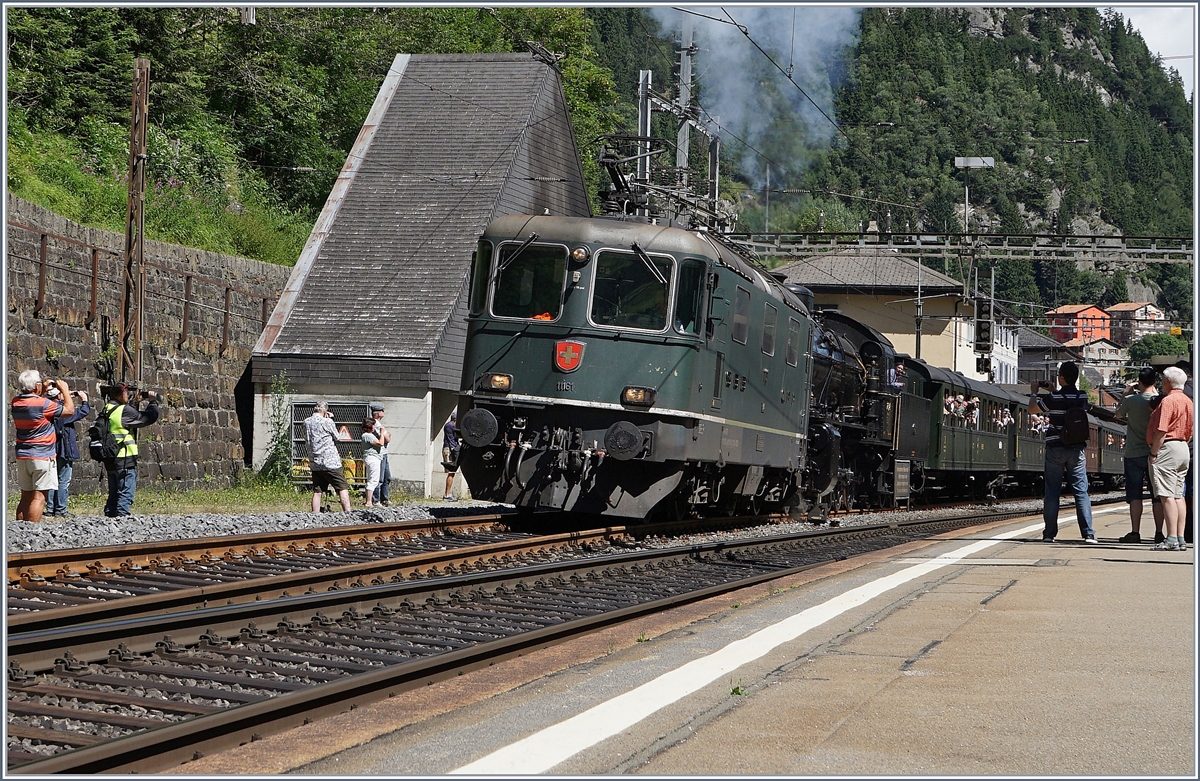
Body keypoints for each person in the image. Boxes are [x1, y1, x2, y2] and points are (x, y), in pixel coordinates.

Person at [1029, 361, 1096, 543]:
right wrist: (1054, 391)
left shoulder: (1054, 398)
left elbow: (1033, 408)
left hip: (1055, 447)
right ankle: (1088, 533)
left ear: (1061, 378)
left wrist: (1035, 391)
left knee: (1052, 491)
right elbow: (1069, 402)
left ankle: (1049, 534)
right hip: (1076, 448)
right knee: (1081, 491)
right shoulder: (1082, 396)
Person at [11, 370, 74, 522]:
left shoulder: (16, 402)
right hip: (42, 456)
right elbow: (69, 411)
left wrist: (41, 390)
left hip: (23, 455)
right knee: (39, 497)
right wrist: (64, 390)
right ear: (36, 386)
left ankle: (20, 530)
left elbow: (34, 402)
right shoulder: (44, 404)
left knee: (25, 497)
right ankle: (32, 532)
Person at [1113, 367, 1164, 544]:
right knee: (1157, 496)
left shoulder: (1131, 400)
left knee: (1135, 495)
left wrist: (1124, 394)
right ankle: (1159, 533)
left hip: (1133, 453)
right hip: (1154, 454)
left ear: (1139, 382)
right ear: (1155, 383)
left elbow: (1117, 414)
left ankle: (1135, 532)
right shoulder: (1160, 401)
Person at [1147, 366, 1193, 551]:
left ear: (1167, 382)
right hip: (1184, 447)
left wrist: (1154, 453)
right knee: (1178, 494)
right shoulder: (1189, 402)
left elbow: (1161, 430)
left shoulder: (1168, 401)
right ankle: (1180, 537)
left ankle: (1171, 538)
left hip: (1168, 448)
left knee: (1166, 496)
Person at [99, 382, 159, 518]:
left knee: (113, 492)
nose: (128, 395)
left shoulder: (107, 409)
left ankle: (109, 519)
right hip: (124, 457)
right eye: (126, 393)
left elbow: (121, 421)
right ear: (121, 394)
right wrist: (153, 402)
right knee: (126, 491)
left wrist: (133, 403)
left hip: (110, 457)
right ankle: (122, 518)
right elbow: (148, 418)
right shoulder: (124, 411)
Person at [46, 384, 91, 517]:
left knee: (52, 480)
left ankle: (50, 509)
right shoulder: (62, 411)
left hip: (50, 449)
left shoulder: (47, 408)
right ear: (59, 395)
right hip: (63, 449)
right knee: (63, 480)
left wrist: (65, 397)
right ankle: (60, 509)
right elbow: (83, 411)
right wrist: (84, 399)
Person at [304, 401, 352, 513]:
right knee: (342, 487)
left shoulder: (306, 422)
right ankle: (348, 512)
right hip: (330, 461)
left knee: (317, 490)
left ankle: (314, 514)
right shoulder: (328, 422)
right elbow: (337, 437)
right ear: (325, 410)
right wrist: (330, 419)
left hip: (315, 461)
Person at [369, 402, 392, 507]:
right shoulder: (376, 424)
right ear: (377, 413)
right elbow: (387, 438)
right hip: (380, 453)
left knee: (387, 477)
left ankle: (384, 498)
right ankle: (376, 499)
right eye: (382, 411)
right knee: (380, 478)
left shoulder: (379, 424)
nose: (384, 412)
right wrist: (387, 435)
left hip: (384, 453)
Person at [362, 417, 383, 508]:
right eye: (373, 425)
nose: (374, 426)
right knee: (373, 480)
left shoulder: (367, 435)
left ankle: (369, 501)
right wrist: (382, 433)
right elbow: (380, 443)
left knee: (372, 479)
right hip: (372, 458)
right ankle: (369, 501)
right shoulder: (368, 435)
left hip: (371, 458)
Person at [442, 410, 461, 501]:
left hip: (450, 448)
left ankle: (447, 494)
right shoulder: (450, 426)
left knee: (451, 473)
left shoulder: (450, 425)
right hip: (449, 449)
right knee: (451, 471)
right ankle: (447, 495)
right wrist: (455, 449)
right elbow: (451, 440)